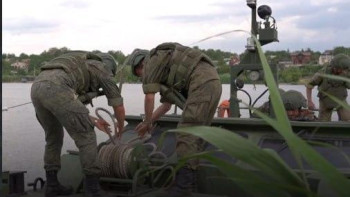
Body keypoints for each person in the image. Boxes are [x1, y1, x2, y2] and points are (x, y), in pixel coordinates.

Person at [127, 42, 222, 196]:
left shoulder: (150, 64)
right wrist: (150, 121)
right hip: (212, 81)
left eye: (139, 75)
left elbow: (149, 98)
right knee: (196, 134)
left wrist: (146, 122)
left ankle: (183, 187)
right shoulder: (164, 66)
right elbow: (166, 106)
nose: (142, 78)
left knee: (186, 132)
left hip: (201, 82)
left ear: (140, 67)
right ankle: (191, 183)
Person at [31, 51, 125, 197]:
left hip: (37, 87)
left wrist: (93, 120)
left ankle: (52, 185)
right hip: (58, 87)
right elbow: (118, 105)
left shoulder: (80, 64)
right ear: (110, 67)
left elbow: (72, 108)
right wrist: (120, 126)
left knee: (53, 138)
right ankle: (92, 189)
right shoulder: (102, 68)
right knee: (87, 137)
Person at [306, 53, 350, 121]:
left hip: (341, 100)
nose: (340, 71)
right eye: (338, 69)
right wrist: (309, 101)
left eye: (342, 69)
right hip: (325, 101)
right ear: (333, 66)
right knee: (322, 124)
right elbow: (309, 86)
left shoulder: (346, 73)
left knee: (347, 121)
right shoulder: (322, 74)